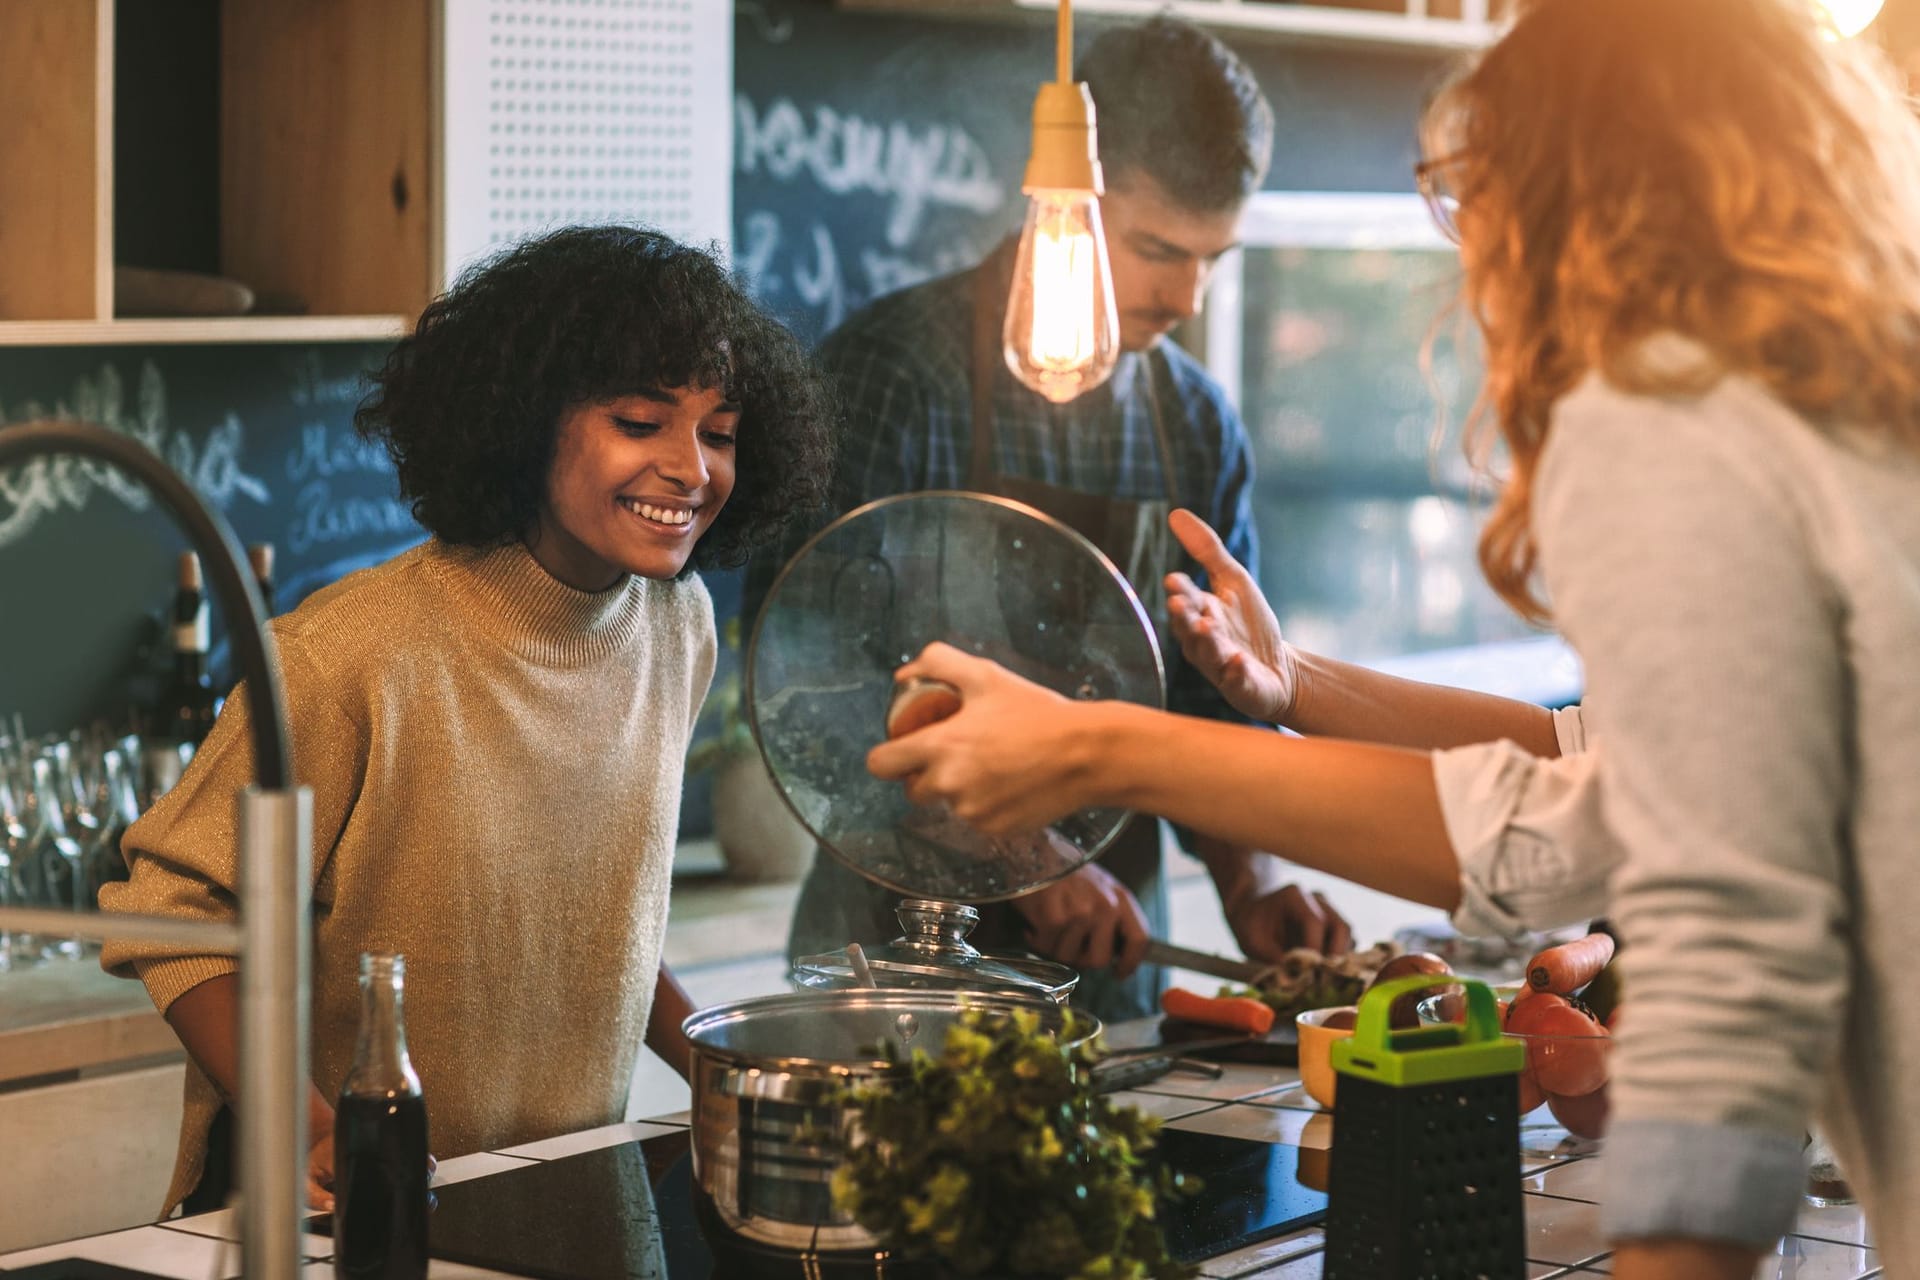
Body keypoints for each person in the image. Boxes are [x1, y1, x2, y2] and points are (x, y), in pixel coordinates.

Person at [869, 0, 1920, 1272]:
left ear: (1574, 206)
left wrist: (1103, 748)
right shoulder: (1855, 419)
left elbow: (1710, 938)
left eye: (1476, 205)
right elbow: (1606, 782)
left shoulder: (1681, 419)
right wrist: (1281, 687)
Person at [99, 226, 835, 1217]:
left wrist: (718, 1058)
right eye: (639, 419)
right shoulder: (349, 653)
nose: (689, 467)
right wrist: (314, 1125)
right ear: (527, 422)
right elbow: (175, 910)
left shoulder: (679, 626)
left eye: (718, 431)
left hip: (562, 1195)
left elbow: (595, 922)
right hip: (348, 1202)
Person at [746, 16, 1352, 1023]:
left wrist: (1250, 884)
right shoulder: (892, 371)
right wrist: (1024, 859)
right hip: (892, 964)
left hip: (1115, 966)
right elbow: (811, 685)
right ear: (1062, 199)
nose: (1187, 294)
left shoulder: (1194, 421)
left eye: (1215, 256)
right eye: (1159, 247)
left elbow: (1208, 703)